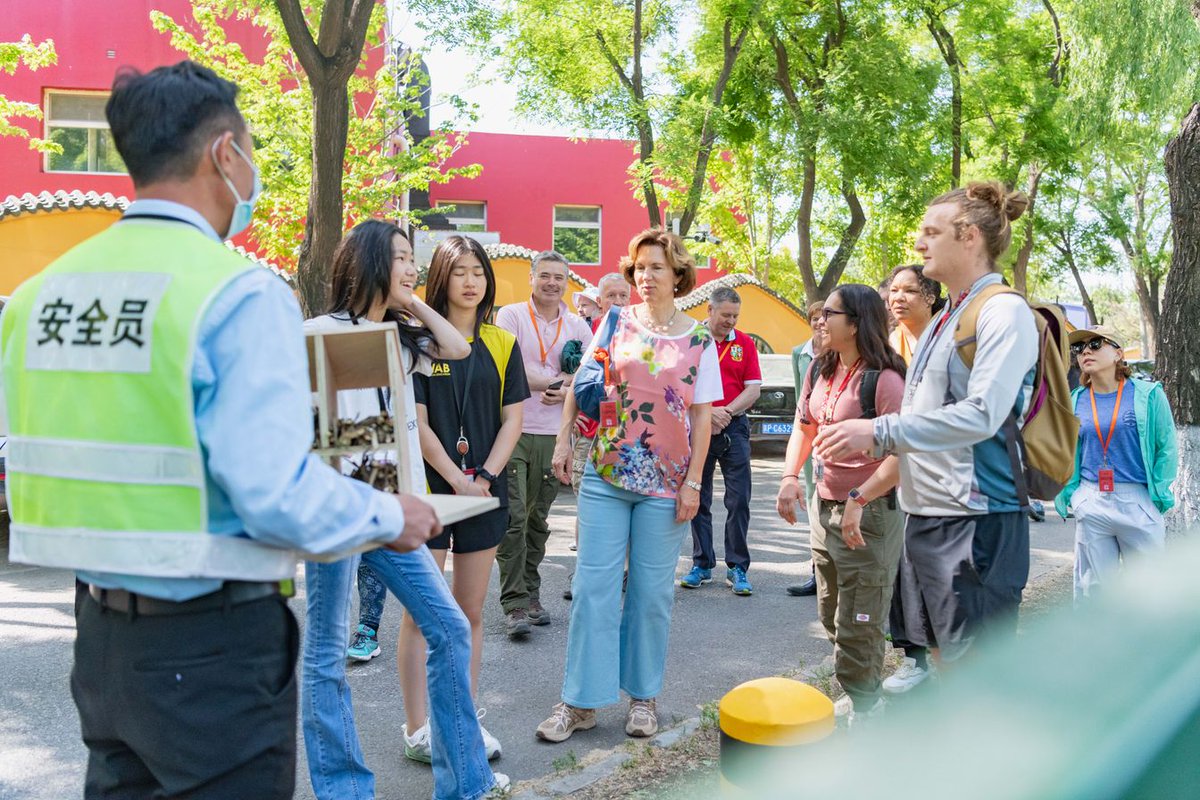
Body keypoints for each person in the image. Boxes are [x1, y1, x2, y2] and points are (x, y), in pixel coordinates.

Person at [0, 61, 446, 799]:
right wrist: (390, 514)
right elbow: (274, 492)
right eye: (250, 149)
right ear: (223, 154)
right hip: (209, 646)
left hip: (101, 642)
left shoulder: (39, 297)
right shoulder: (235, 294)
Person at [302, 222, 509, 799]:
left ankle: (466, 784)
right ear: (368, 262)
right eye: (399, 258)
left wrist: (410, 301)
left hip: (390, 513)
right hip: (338, 513)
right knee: (326, 655)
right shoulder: (320, 333)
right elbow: (332, 437)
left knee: (449, 627)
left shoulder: (401, 339)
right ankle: (344, 790)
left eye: (410, 258)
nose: (411, 267)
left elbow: (458, 346)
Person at [815, 181, 1038, 665]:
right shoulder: (943, 318)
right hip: (926, 518)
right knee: (943, 667)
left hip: (977, 522)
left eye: (932, 232)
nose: (919, 244)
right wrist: (864, 492)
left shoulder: (1003, 311)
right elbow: (922, 421)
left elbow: (983, 414)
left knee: (977, 676)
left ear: (969, 237)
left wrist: (878, 431)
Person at [537, 228, 720, 743]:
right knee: (592, 589)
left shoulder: (699, 339)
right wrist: (563, 442)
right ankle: (580, 702)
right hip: (607, 471)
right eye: (639, 267)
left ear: (678, 274)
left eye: (656, 267)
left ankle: (643, 697)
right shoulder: (615, 321)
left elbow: (702, 418)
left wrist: (694, 483)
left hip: (667, 483)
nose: (646, 276)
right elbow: (581, 384)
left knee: (650, 594)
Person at [400, 235, 530, 764]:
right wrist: (458, 479)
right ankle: (417, 729)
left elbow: (513, 419)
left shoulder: (502, 342)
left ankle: (463, 716)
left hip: (485, 490)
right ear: (441, 278)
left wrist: (486, 476)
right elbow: (419, 425)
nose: (471, 281)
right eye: (460, 272)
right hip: (430, 492)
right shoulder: (417, 342)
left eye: (478, 271)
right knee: (420, 613)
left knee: (470, 610)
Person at [776, 285, 907, 723]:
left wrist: (859, 497)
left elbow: (904, 454)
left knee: (860, 621)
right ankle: (860, 692)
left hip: (869, 514)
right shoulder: (820, 367)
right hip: (825, 508)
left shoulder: (885, 380)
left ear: (855, 323)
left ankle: (867, 710)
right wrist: (790, 478)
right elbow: (804, 428)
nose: (820, 320)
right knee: (832, 614)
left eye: (830, 313)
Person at [494, 251, 593, 636]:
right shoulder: (511, 316)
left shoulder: (578, 326)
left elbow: (590, 374)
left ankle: (532, 593)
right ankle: (515, 603)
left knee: (537, 519)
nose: (552, 283)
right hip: (512, 430)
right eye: (545, 275)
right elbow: (508, 367)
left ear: (567, 282)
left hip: (555, 435)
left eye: (559, 277)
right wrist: (557, 382)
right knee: (514, 517)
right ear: (532, 278)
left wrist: (566, 389)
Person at [1054, 325, 1177, 600]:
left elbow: (1166, 447)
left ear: (1118, 354)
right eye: (1079, 348)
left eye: (1096, 344)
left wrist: (1157, 495)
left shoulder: (1149, 395)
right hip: (1091, 500)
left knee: (1149, 591)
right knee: (1093, 593)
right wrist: (1075, 497)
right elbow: (1065, 452)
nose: (1085, 351)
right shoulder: (1075, 400)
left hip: (1138, 499)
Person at [881, 264, 943, 694]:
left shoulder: (949, 339)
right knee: (903, 569)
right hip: (899, 470)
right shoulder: (890, 346)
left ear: (931, 297)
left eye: (909, 291)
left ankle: (955, 659)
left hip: (948, 474)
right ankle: (913, 658)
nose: (897, 298)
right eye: (893, 291)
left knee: (945, 571)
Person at [680, 286, 762, 595]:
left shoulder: (744, 344)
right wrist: (706, 413)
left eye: (735, 316)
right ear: (710, 310)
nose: (731, 321)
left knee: (738, 500)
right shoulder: (692, 340)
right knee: (698, 496)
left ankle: (738, 566)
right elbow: (679, 386)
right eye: (726, 315)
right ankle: (702, 563)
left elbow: (753, 389)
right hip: (698, 424)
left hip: (734, 426)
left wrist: (725, 411)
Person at [786, 301, 828, 597]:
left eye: (824, 318)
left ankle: (830, 573)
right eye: (814, 318)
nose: (819, 323)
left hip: (834, 438)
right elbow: (800, 397)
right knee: (814, 501)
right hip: (809, 435)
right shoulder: (800, 354)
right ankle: (817, 572)